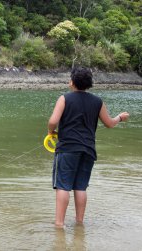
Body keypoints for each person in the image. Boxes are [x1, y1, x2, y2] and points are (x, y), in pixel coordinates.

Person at [47, 67, 129, 228]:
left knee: (63, 186)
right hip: (88, 151)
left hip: (67, 149)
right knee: (80, 187)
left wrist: (51, 132)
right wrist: (120, 117)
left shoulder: (64, 99)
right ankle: (79, 223)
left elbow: (52, 121)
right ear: (89, 84)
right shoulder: (98, 101)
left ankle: (59, 224)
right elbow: (110, 123)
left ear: (72, 82)